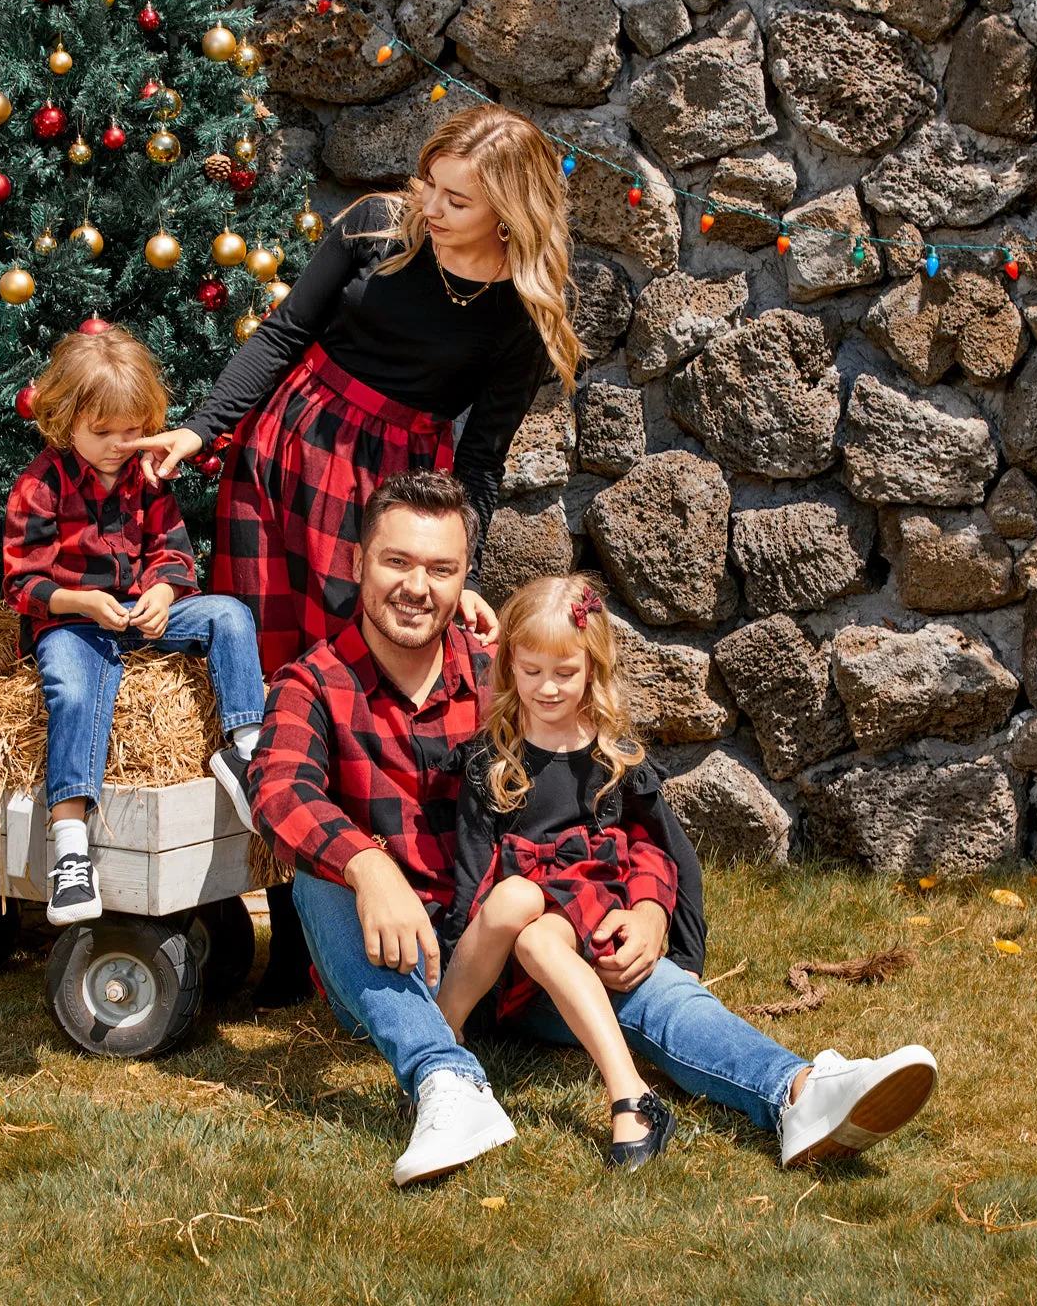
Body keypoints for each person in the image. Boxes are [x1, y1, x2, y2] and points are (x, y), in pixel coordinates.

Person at [251, 470, 939, 1186]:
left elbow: (619, 803)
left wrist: (647, 906)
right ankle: (443, 1082)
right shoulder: (314, 683)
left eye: (441, 568)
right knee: (319, 875)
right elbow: (278, 790)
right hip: (403, 966)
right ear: (359, 562)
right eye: (397, 562)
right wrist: (368, 864)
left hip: (525, 955)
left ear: (464, 580)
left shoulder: (515, 674)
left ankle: (798, 1093)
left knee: (647, 987)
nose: (416, 587)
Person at [125, 103, 582, 1008]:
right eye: (431, 184)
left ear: (509, 213)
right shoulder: (375, 227)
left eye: (457, 198)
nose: (431, 207)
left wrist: (463, 576)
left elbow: (480, 462)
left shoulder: (521, 319)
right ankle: (280, 932)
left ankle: (315, 949)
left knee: (350, 695)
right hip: (283, 454)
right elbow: (284, 333)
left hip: (385, 501)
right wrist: (205, 429)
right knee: (272, 680)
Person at [436, 574, 704, 1169]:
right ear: (509, 668)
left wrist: (681, 947)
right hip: (496, 939)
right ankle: (444, 1042)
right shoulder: (493, 757)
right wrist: (458, 947)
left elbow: (669, 846)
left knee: (538, 924)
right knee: (514, 901)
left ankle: (630, 1097)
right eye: (531, 672)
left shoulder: (613, 756)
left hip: (580, 914)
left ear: (592, 668)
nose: (547, 689)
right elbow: (471, 867)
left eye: (564, 673)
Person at [2, 325, 266, 925]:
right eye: (103, 432)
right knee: (73, 688)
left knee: (229, 614)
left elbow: (174, 554)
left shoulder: (145, 478)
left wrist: (165, 591)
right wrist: (83, 604)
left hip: (136, 613)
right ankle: (70, 851)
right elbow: (23, 583)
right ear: (65, 420)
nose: (121, 445)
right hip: (72, 621)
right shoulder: (40, 486)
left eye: (132, 429)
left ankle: (245, 750)